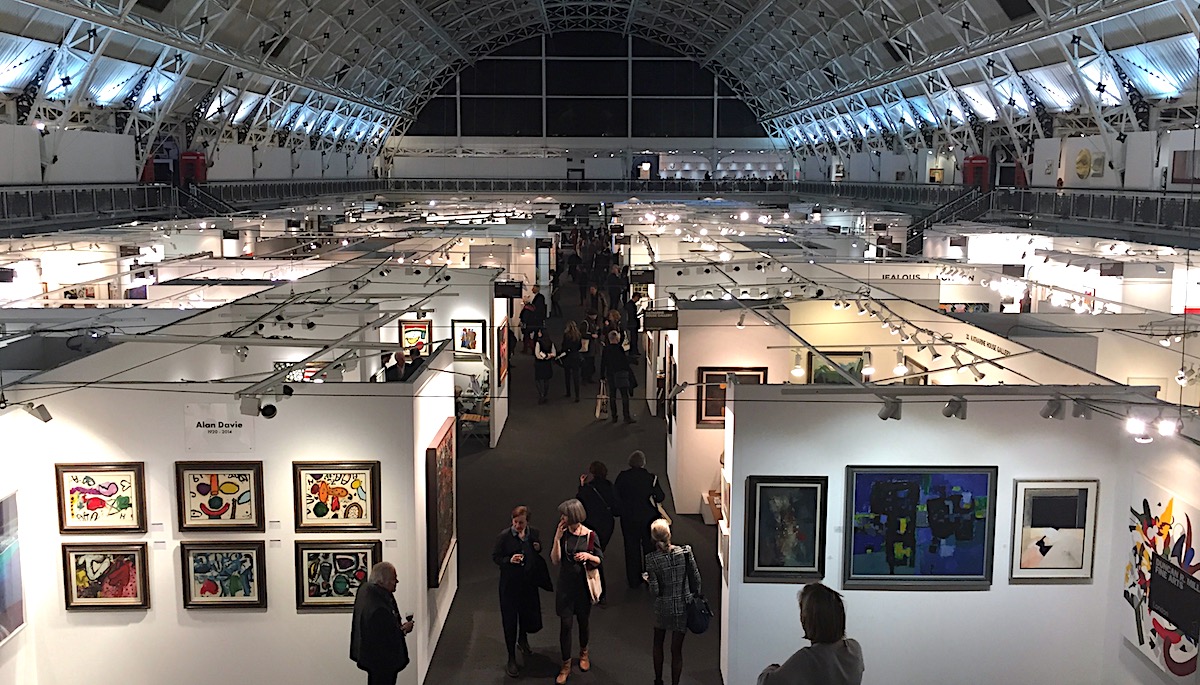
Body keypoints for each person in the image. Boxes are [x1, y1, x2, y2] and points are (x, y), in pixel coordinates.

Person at [757, 583, 864, 685]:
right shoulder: (854, 649)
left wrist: (773, 668)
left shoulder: (807, 658)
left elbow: (766, 682)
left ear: (808, 620)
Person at [550, 499, 603, 685]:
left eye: (564, 515)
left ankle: (583, 653)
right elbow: (555, 560)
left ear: (573, 516)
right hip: (566, 587)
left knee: (583, 622)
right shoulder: (563, 534)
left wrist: (588, 556)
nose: (562, 518)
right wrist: (556, 539)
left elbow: (599, 559)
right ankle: (565, 664)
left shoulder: (590, 535)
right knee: (565, 626)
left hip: (582, 588)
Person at [645, 519, 701, 685]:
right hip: (682, 606)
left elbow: (655, 591)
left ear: (653, 538)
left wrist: (648, 580)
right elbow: (696, 579)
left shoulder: (652, 559)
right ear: (669, 534)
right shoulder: (685, 552)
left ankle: (658, 680)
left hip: (663, 608)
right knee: (676, 651)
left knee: (658, 644)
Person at [492, 506, 545, 678]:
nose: (517, 526)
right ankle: (511, 657)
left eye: (521, 522)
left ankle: (523, 640)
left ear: (527, 522)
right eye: (515, 522)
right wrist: (509, 560)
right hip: (509, 586)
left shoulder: (533, 533)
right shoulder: (504, 537)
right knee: (509, 620)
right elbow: (496, 557)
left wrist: (537, 547)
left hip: (527, 584)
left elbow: (537, 549)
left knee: (525, 614)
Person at [350, 561, 414, 685]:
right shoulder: (379, 607)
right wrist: (404, 629)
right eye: (393, 579)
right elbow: (387, 636)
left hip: (369, 657)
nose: (397, 582)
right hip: (383, 661)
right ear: (382, 581)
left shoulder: (365, 592)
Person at [613, 450, 665, 588]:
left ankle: (634, 580)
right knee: (649, 547)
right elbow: (660, 497)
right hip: (648, 518)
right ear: (643, 463)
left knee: (631, 548)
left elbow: (615, 495)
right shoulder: (651, 478)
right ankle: (650, 577)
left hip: (628, 518)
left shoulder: (622, 477)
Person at [576, 461, 620, 604]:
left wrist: (582, 486)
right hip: (606, 525)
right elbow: (616, 508)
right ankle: (599, 593)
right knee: (597, 553)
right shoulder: (609, 486)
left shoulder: (588, 488)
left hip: (591, 525)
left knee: (593, 555)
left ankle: (597, 592)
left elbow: (579, 502)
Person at [599, 330, 636, 424]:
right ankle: (626, 416)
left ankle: (614, 416)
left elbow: (603, 363)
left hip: (610, 374)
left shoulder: (606, 349)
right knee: (624, 395)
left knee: (612, 395)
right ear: (616, 338)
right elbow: (624, 362)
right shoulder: (619, 348)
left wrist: (602, 375)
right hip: (620, 374)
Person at [560, 321, 583, 402]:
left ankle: (568, 392)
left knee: (567, 375)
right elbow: (580, 346)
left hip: (568, 357)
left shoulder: (567, 335)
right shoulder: (578, 335)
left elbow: (564, 346)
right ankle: (577, 395)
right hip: (576, 356)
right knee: (576, 376)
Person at [534, 330, 558, 404]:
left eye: (539, 332)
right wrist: (549, 356)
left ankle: (541, 394)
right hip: (547, 363)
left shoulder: (538, 342)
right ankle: (545, 394)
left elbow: (537, 354)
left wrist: (542, 357)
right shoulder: (550, 342)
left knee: (538, 379)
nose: (538, 333)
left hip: (539, 363)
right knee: (546, 379)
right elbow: (554, 353)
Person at [579, 310, 601, 384]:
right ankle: (585, 378)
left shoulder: (592, 322)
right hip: (588, 346)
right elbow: (582, 333)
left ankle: (588, 377)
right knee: (587, 362)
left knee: (590, 362)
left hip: (592, 346)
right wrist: (591, 335)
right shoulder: (585, 323)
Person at [624, 292, 643, 356]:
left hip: (632, 324)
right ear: (636, 297)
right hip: (632, 324)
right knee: (634, 338)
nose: (638, 299)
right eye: (638, 298)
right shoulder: (631, 305)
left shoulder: (629, 304)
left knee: (633, 338)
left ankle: (633, 351)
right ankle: (633, 351)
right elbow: (632, 315)